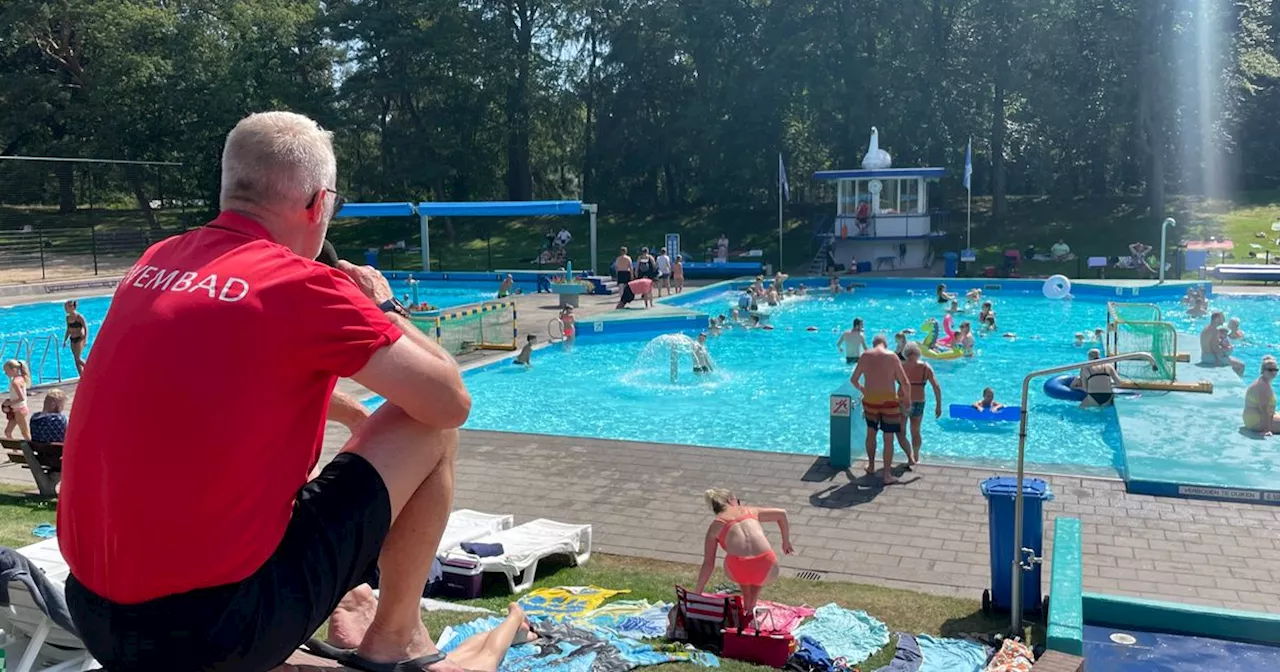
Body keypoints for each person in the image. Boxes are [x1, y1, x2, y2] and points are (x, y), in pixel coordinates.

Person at [58, 111, 473, 672]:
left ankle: (349, 601)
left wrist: (351, 415)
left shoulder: (156, 263)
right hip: (212, 636)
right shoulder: (300, 285)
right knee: (431, 429)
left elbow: (234, 379)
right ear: (318, 204)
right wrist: (383, 307)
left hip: (94, 614)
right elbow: (449, 400)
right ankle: (394, 637)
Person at [694, 489, 793, 615]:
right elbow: (782, 514)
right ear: (731, 501)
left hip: (738, 569)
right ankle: (751, 606)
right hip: (767, 566)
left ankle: (747, 604)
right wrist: (786, 541)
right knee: (757, 575)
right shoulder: (750, 511)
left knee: (740, 563)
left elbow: (708, 563)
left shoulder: (715, 527)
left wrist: (697, 592)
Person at [849, 334, 911, 485]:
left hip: (870, 401)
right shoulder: (892, 357)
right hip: (889, 402)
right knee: (888, 437)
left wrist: (864, 390)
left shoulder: (865, 356)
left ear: (873, 343)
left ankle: (871, 466)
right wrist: (907, 400)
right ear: (886, 344)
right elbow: (904, 382)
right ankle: (887, 475)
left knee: (871, 433)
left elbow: (853, 380)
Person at [901, 343, 941, 466]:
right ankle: (916, 456)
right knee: (916, 430)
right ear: (918, 353)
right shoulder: (925, 367)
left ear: (906, 353)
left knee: (901, 432)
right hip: (919, 401)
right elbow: (936, 386)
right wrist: (938, 405)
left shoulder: (901, 366)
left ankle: (909, 456)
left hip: (903, 401)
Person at [1243, 356, 1280, 434]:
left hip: (1253, 418)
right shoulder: (1262, 386)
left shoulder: (1264, 381)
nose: (1273, 372)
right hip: (1256, 421)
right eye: (1270, 370)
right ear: (1262, 371)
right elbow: (1264, 410)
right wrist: (1267, 429)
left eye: (1275, 370)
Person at [1201, 311, 1245, 376]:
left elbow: (1212, 345)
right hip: (1210, 358)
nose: (1224, 321)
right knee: (1241, 365)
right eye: (1222, 318)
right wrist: (1227, 351)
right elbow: (1215, 349)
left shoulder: (1206, 328)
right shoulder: (1214, 330)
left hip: (1205, 356)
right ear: (1217, 319)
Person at [3, 360, 31, 440]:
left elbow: (21, 398)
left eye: (7, 371)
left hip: (20, 410)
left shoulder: (15, 382)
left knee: (25, 433)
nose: (6, 373)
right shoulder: (20, 378)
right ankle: (15, 450)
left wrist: (9, 403)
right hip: (16, 409)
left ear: (13, 370)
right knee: (8, 432)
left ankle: (32, 450)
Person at [63, 300, 89, 375]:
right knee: (76, 360)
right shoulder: (67, 318)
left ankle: (90, 369)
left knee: (78, 358)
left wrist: (86, 339)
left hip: (80, 338)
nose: (65, 309)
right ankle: (82, 376)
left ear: (72, 307)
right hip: (72, 339)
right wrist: (65, 340)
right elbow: (68, 329)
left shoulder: (79, 317)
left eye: (66, 307)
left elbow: (85, 327)